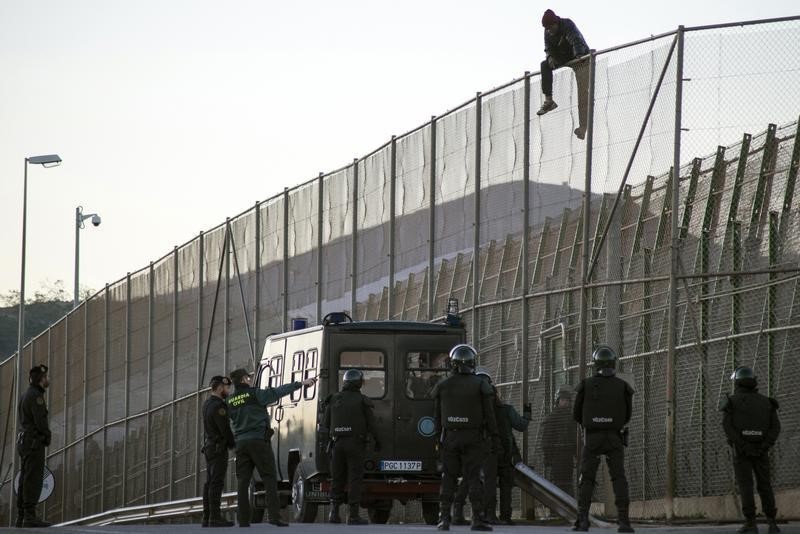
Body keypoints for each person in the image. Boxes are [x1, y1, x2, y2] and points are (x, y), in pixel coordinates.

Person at [227, 367, 317, 527]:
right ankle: (274, 517)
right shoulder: (255, 394)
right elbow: (277, 392)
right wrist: (301, 383)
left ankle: (242, 520)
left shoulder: (230, 400)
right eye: (248, 377)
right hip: (258, 441)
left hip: (241, 443)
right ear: (242, 380)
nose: (249, 379)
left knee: (243, 482)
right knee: (269, 478)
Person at [432, 345, 499, 532]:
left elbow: (436, 417)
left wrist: (438, 440)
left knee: (448, 478)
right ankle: (477, 519)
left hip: (450, 437)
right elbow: (489, 415)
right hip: (473, 437)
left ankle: (444, 518)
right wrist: (494, 437)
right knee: (473, 477)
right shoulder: (480, 384)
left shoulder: (443, 385)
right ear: (472, 362)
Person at [573, 345, 634, 533]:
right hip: (614, 437)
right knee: (618, 477)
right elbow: (627, 415)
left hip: (593, 437)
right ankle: (624, 521)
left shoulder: (587, 384)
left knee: (587, 478)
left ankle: (583, 519)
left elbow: (576, 413)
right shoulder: (623, 386)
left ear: (595, 363)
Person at [720, 366, 781, 534]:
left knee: (746, 485)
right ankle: (772, 522)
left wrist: (742, 445)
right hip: (762, 451)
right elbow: (775, 427)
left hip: (741, 452)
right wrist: (764, 445)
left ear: (738, 382)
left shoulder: (731, 402)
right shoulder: (767, 401)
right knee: (765, 485)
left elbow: (727, 426)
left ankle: (751, 523)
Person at [322, 369, 381, 525]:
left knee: (337, 478)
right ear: (358, 383)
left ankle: (333, 514)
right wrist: (378, 441)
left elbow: (326, 424)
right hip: (355, 444)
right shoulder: (362, 400)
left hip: (337, 444)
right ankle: (353, 515)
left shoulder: (333, 399)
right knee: (354, 478)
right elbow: (372, 425)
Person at [536, 9, 591, 140]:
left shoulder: (567, 24)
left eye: (550, 27)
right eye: (547, 28)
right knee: (544, 64)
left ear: (556, 23)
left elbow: (575, 39)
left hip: (580, 58)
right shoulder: (547, 31)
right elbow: (548, 47)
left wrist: (578, 55)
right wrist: (550, 58)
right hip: (563, 57)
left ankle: (583, 128)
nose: (549, 31)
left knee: (583, 93)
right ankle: (549, 101)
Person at [16, 364, 52, 528]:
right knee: (33, 478)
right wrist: (47, 435)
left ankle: (22, 515)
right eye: (45, 378)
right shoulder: (36, 396)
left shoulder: (25, 395)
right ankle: (30, 516)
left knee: (25, 477)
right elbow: (40, 422)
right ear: (40, 380)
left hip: (25, 442)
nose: (47, 380)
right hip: (33, 443)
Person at [493, 387, 531, 525]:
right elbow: (521, 426)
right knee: (505, 486)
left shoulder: (480, 412)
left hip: (486, 454)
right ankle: (505, 516)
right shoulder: (506, 410)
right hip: (505, 453)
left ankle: (488, 514)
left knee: (488, 485)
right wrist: (527, 414)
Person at [202, 375, 236, 527]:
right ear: (220, 388)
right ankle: (215, 517)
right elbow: (225, 429)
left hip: (209, 446)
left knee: (209, 482)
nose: (228, 390)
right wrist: (232, 443)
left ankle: (207, 517)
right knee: (216, 482)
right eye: (227, 388)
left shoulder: (207, 404)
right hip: (218, 448)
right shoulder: (219, 406)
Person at [541, 385, 577, 497]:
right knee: (560, 481)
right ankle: (561, 507)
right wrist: (548, 456)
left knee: (565, 481)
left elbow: (574, 437)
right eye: (563, 400)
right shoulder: (553, 417)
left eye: (567, 400)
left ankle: (565, 507)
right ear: (558, 401)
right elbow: (547, 438)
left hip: (566, 454)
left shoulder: (570, 418)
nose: (565, 403)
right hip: (557, 454)